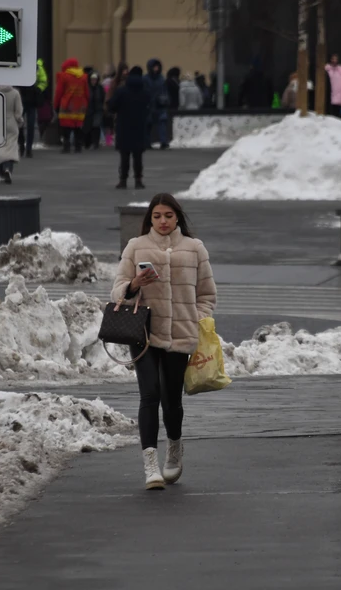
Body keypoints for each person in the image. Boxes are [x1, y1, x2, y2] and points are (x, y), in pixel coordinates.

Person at [111, 193, 217, 490]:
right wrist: (134, 284)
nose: (163, 221)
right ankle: (150, 466)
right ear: (150, 218)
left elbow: (207, 294)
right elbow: (116, 291)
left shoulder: (195, 249)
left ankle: (174, 446)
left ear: (177, 217)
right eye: (157, 216)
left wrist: (194, 318)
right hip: (143, 333)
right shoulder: (136, 246)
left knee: (171, 401)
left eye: (168, 215)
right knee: (149, 395)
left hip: (181, 334)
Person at [108, 65, 150, 189]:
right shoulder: (145, 91)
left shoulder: (122, 90)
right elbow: (149, 106)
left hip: (124, 126)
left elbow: (112, 106)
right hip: (139, 126)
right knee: (138, 156)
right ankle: (138, 180)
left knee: (124, 155)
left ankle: (123, 180)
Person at [54, 57, 89, 153]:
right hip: (80, 105)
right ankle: (78, 146)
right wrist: (86, 103)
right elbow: (87, 92)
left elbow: (59, 92)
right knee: (78, 126)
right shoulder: (83, 77)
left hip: (67, 105)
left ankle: (67, 146)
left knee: (66, 127)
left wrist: (56, 104)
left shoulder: (64, 76)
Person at [18, 58, 48, 158]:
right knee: (19, 124)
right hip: (20, 99)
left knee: (30, 125)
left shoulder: (38, 67)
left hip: (32, 101)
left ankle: (29, 149)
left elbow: (43, 81)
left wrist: (38, 89)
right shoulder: (18, 63)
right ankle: (21, 145)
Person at [0, 85, 24, 184]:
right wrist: (20, 121)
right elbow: (18, 112)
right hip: (11, 122)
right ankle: (8, 169)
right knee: (10, 148)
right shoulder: (15, 93)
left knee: (0, 148)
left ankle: (1, 174)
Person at [143, 59, 170, 149]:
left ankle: (163, 142)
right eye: (154, 67)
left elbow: (164, 90)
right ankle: (147, 142)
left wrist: (165, 99)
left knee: (162, 122)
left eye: (157, 67)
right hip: (149, 105)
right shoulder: (145, 79)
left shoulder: (161, 78)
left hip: (160, 104)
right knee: (148, 124)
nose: (156, 68)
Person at [105, 62, 129, 149]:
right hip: (118, 106)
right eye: (124, 70)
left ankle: (124, 141)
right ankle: (115, 141)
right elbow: (110, 93)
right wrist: (109, 104)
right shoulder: (115, 82)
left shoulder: (128, 80)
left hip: (127, 106)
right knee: (116, 125)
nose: (125, 72)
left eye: (126, 70)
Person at [82, 71, 105, 150]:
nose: (94, 81)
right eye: (92, 79)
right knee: (87, 127)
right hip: (88, 110)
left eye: (95, 79)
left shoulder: (100, 88)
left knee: (96, 126)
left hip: (97, 110)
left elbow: (102, 98)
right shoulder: (86, 88)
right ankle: (87, 143)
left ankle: (96, 143)